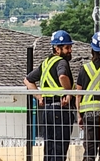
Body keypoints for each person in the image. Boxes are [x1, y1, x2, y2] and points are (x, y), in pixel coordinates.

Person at [24, 30, 75, 161]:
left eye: (70, 47)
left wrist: (39, 97)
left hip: (47, 110)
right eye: (67, 48)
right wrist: (68, 92)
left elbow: (28, 80)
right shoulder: (62, 62)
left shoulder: (46, 63)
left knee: (49, 146)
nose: (70, 50)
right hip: (60, 109)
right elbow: (62, 75)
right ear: (57, 49)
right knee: (59, 147)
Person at [76, 31, 100, 161]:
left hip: (88, 115)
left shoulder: (85, 69)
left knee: (89, 151)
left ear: (92, 50)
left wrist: (79, 115)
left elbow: (78, 95)